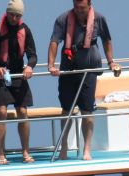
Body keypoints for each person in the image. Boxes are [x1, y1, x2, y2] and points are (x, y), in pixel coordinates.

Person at [47, 0, 119, 160]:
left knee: (87, 110)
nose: (79, 10)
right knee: (66, 109)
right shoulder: (63, 19)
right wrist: (51, 65)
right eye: (76, 7)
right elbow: (54, 42)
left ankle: (87, 149)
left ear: (89, 5)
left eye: (82, 8)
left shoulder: (99, 18)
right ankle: (64, 146)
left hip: (88, 70)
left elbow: (106, 40)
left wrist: (111, 62)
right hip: (68, 69)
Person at [0, 0, 38, 165]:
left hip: (17, 74)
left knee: (22, 111)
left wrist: (29, 66)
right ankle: (1, 154)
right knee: (1, 111)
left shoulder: (25, 30)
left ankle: (26, 152)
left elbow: (33, 55)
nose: (14, 18)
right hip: (1, 75)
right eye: (12, 15)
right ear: (7, 13)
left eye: (17, 16)